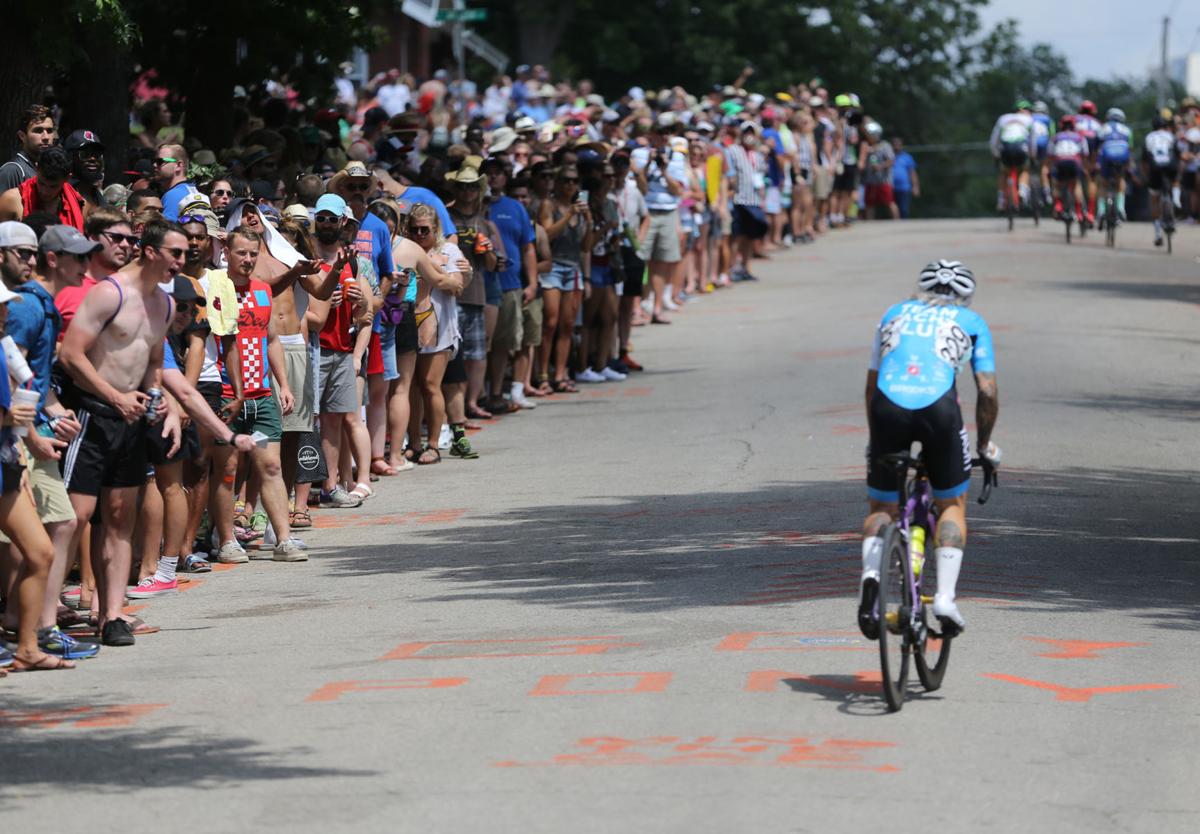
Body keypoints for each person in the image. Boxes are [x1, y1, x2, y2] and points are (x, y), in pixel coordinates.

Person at [859, 260, 1000, 638]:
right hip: (938, 410)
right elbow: (986, 390)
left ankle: (871, 575)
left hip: (887, 407)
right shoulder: (972, 323)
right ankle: (945, 599)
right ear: (965, 297)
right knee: (952, 505)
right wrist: (984, 446)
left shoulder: (893, 313)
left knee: (882, 508)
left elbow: (872, 387)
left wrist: (877, 440)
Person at [57, 218, 181, 646]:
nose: (181, 263)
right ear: (150, 252)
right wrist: (113, 396)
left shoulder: (163, 304)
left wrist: (156, 397)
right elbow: (72, 355)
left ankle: (111, 616)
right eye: (175, 253)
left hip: (130, 419)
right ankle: (43, 619)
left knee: (119, 517)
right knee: (75, 518)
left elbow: (152, 363)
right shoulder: (109, 293)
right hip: (93, 413)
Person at [205, 226, 304, 562]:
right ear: (227, 253)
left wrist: (284, 384)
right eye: (241, 253)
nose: (247, 260)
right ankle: (226, 540)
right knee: (228, 469)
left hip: (261, 398)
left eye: (252, 253)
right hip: (227, 397)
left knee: (270, 466)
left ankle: (284, 540)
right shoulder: (215, 287)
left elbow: (272, 339)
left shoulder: (262, 290)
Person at [0, 280, 71, 671]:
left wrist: (22, 459)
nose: (6, 313)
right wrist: (11, 418)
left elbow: (17, 408)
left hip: (7, 464)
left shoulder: (4, 349)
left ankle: (27, 648)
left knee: (41, 551)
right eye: (1, 306)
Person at [538, 164, 592, 390]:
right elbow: (547, 234)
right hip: (553, 267)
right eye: (566, 181)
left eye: (574, 181)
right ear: (558, 184)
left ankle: (560, 374)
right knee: (550, 322)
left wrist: (589, 222)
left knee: (568, 324)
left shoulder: (580, 210)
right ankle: (542, 375)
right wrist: (569, 214)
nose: (570, 185)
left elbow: (586, 246)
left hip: (573, 268)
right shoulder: (549, 205)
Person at [630, 115, 687, 321]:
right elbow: (639, 188)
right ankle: (636, 308)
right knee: (639, 261)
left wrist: (664, 170)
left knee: (662, 262)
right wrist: (646, 166)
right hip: (646, 212)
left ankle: (657, 307)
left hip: (668, 211)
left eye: (667, 132)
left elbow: (677, 191)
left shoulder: (678, 157)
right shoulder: (638, 154)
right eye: (660, 132)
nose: (664, 137)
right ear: (650, 134)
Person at [0, 147, 88, 230]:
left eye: (53, 186)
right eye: (41, 183)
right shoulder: (12, 200)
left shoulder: (81, 205)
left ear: (67, 178)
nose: (45, 191)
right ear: (36, 168)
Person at [988, 100, 1036, 212]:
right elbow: (1033, 142)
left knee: (1003, 172)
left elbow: (994, 140)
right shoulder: (1029, 120)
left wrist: (995, 155)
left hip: (1005, 149)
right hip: (1021, 148)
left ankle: (1001, 200)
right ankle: (1023, 191)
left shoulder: (1003, 118)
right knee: (1025, 169)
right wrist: (1033, 157)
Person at [0, 104, 57, 193]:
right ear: (22, 136)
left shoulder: (49, 168)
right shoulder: (12, 170)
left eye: (49, 131)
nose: (46, 137)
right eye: (38, 131)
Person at [1143, 114, 1181, 247]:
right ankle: (1176, 200)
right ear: (1165, 126)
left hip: (1155, 167)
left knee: (1154, 198)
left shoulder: (1149, 137)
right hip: (1170, 165)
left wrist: (1147, 176)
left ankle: (1158, 233)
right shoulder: (1171, 136)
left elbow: (1145, 160)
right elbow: (1178, 155)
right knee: (1175, 180)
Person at [1049, 116, 1088, 224]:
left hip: (1060, 162)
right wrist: (1084, 168)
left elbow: (1051, 155)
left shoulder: (1056, 137)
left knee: (1056, 183)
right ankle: (1079, 213)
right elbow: (1084, 154)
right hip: (1074, 162)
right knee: (1076, 184)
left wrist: (1051, 167)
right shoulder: (1080, 137)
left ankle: (1058, 205)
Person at [1095, 108, 1132, 223]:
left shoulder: (1102, 128)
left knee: (1102, 183)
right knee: (1121, 179)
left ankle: (1101, 210)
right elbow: (1130, 148)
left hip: (1107, 154)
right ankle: (1121, 207)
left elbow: (1097, 147)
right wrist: (1128, 166)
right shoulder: (1127, 130)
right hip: (1122, 154)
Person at [1073, 100, 1103, 225]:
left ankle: (1079, 213)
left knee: (1077, 181)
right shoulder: (1098, 123)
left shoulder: (1075, 120)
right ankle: (1091, 213)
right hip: (1093, 147)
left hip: (1079, 145)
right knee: (1092, 179)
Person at [860, 122, 898, 220]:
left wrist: (880, 167)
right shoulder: (866, 147)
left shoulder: (885, 146)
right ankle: (870, 223)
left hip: (883, 180)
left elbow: (891, 160)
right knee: (869, 203)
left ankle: (897, 221)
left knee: (889, 201)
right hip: (870, 180)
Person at [65, 130, 107, 210]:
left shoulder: (99, 198)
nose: (92, 159)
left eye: (97, 155)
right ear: (70, 157)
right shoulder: (60, 195)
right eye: (84, 154)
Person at [155, 144, 198, 221]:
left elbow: (166, 231)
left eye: (160, 161)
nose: (154, 165)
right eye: (154, 161)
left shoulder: (173, 195)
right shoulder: (193, 190)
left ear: (178, 165)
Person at [890, 137, 919, 219]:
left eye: (898, 144)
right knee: (893, 210)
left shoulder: (907, 157)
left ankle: (903, 227)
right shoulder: (888, 157)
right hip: (890, 186)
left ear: (901, 145)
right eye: (894, 144)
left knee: (903, 209)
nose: (896, 146)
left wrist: (915, 186)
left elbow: (912, 173)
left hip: (904, 188)